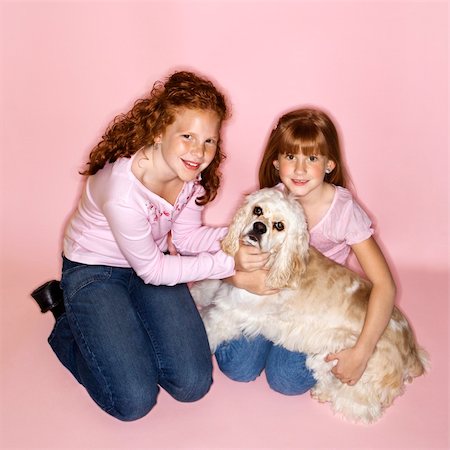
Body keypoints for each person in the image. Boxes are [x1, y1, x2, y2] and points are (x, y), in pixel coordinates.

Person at [30, 70, 267, 421]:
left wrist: (241, 237)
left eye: (209, 141)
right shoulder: (123, 191)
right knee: (133, 401)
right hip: (95, 271)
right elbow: (154, 271)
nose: (199, 152)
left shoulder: (189, 174)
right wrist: (231, 264)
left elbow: (186, 240)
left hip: (150, 264)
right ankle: (67, 321)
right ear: (159, 132)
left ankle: (124, 331)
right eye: (186, 136)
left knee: (193, 384)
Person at [217, 107, 396, 394]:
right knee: (237, 366)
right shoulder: (267, 202)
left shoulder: (344, 213)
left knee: (286, 379)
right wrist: (237, 279)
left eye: (311, 158)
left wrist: (362, 352)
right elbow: (227, 254)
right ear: (276, 161)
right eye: (290, 157)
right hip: (266, 296)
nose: (299, 170)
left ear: (329, 165)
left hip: (311, 308)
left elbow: (384, 285)